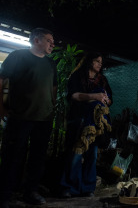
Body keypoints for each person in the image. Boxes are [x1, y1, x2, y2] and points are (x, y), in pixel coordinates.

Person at [0, 28, 57, 208]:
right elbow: (1, 80)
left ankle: (30, 192)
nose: (52, 44)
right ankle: (5, 194)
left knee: (37, 158)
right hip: (20, 116)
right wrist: (1, 108)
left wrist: (51, 109)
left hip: (44, 119)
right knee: (12, 156)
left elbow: (54, 89)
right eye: (49, 40)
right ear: (36, 40)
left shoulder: (51, 64)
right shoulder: (18, 56)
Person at [60, 53, 112, 198]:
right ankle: (70, 187)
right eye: (97, 60)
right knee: (76, 153)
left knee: (92, 155)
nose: (99, 64)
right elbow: (73, 96)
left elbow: (110, 100)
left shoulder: (103, 80)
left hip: (95, 123)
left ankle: (88, 188)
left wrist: (105, 100)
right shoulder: (77, 76)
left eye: (101, 62)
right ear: (89, 61)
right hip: (78, 119)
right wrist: (93, 97)